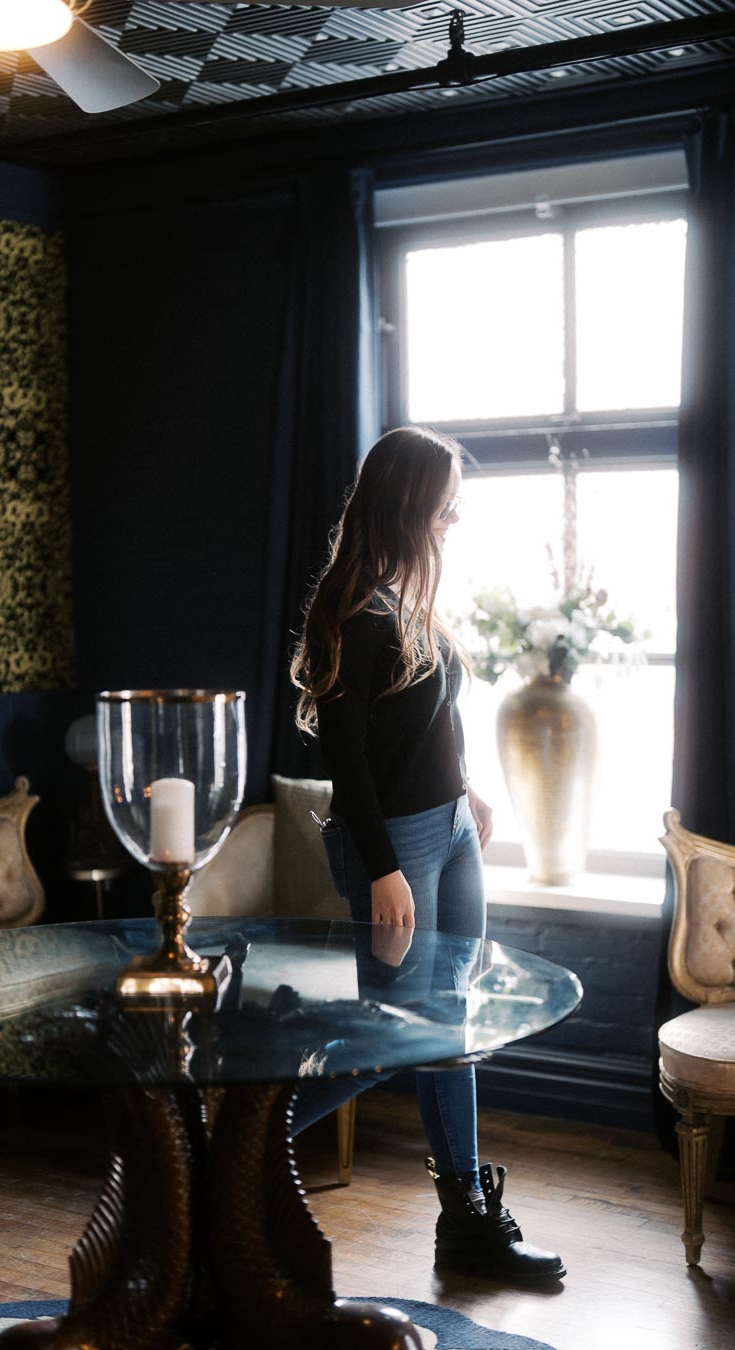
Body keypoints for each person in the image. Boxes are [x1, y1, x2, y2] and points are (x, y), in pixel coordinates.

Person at [289, 425, 565, 1283]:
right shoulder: (357, 611)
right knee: (393, 1039)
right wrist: (382, 870)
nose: (456, 514)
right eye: (445, 498)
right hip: (399, 846)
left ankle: (470, 1226)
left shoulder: (409, 598)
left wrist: (468, 786)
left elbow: (425, 721)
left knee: (456, 1031)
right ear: (409, 501)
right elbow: (349, 761)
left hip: (447, 828)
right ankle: (237, 1129)